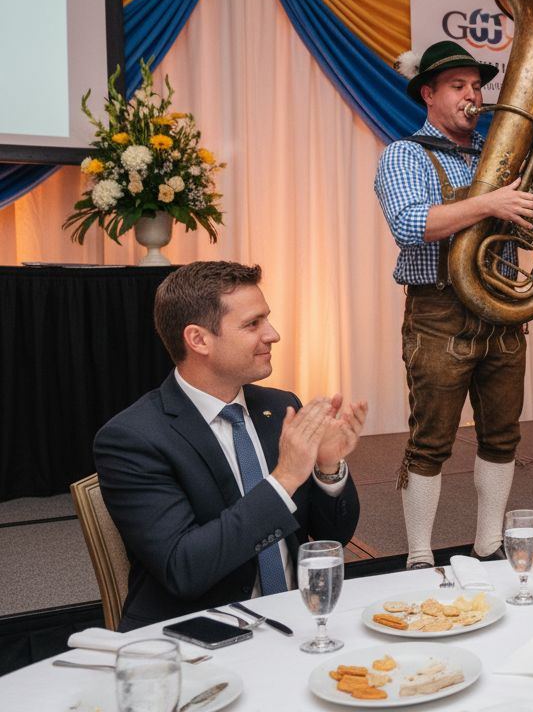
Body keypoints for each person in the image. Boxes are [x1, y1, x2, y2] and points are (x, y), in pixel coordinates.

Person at [375, 41, 533, 565]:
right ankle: (417, 556)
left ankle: (490, 545)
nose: (472, 96)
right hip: (439, 313)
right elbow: (411, 224)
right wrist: (490, 202)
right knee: (431, 439)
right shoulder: (405, 153)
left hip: (502, 310)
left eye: (477, 86)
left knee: (502, 436)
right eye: (458, 86)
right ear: (428, 94)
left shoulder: (505, 155)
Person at [94, 261, 366, 630]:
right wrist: (284, 478)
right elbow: (185, 567)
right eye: (252, 324)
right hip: (197, 637)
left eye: (266, 319)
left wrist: (327, 467)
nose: (273, 334)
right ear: (199, 339)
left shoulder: (278, 407)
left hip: (297, 620)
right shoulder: (133, 438)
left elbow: (333, 538)